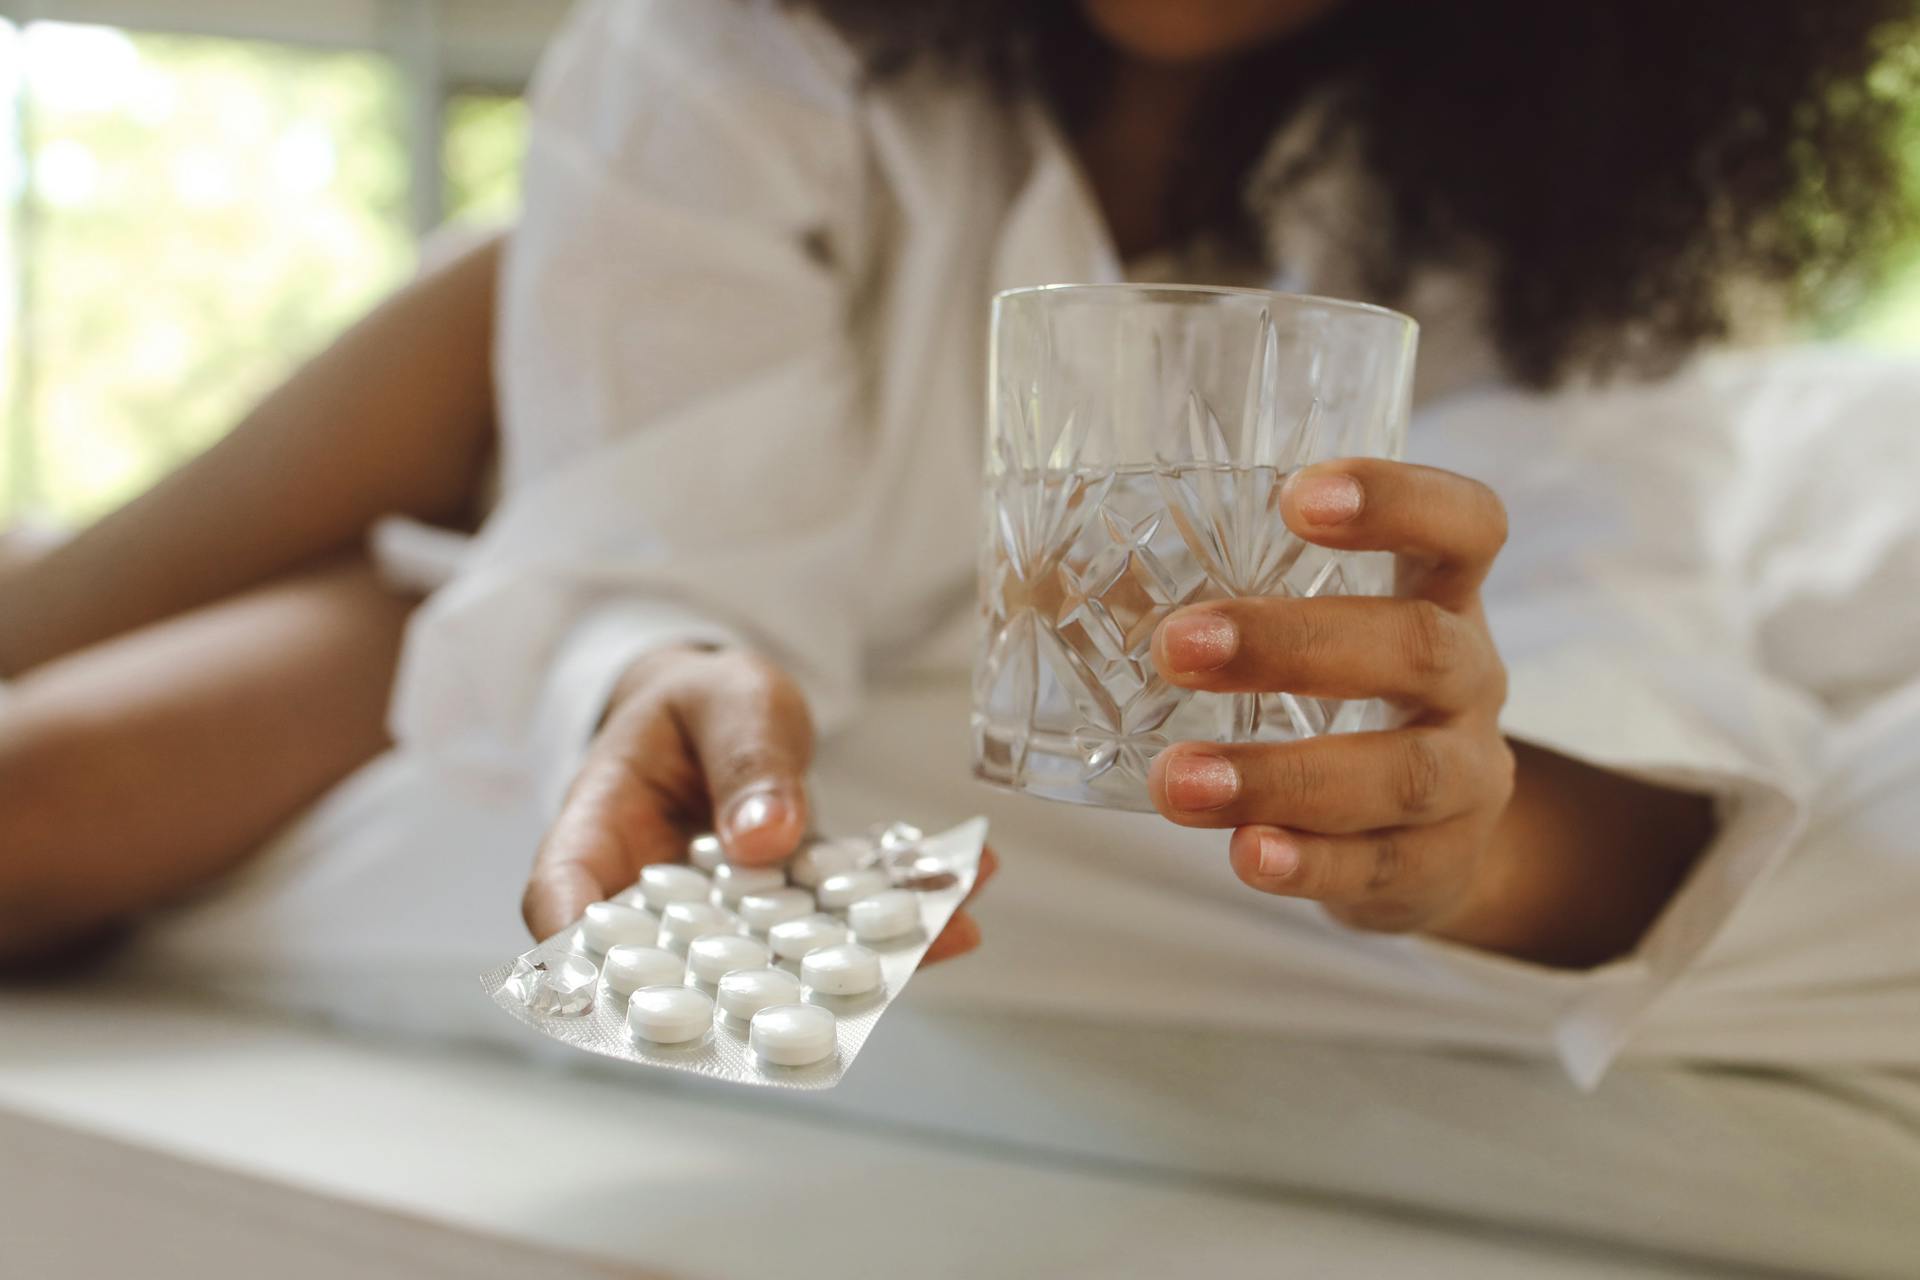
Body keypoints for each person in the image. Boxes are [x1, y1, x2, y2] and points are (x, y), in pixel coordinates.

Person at [3, 0, 1919, 1268]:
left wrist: (1473, 823)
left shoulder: (1581, 210)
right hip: (551, 444)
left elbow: (1610, 623)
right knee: (45, 696)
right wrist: (647, 661)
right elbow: (650, 550)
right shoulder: (749, 45)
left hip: (525, 569)